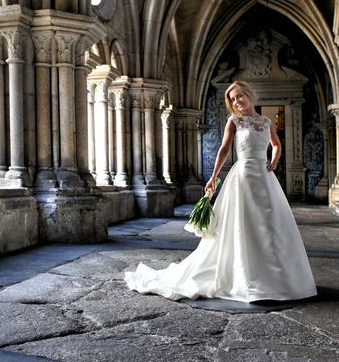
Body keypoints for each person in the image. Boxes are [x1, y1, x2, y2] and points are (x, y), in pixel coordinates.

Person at [124, 80, 317, 303]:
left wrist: (274, 160)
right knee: (243, 225)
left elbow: (276, 143)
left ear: (249, 95)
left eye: (239, 96)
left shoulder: (265, 121)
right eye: (232, 99)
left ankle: (276, 278)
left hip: (264, 177)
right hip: (242, 176)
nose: (236, 102)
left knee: (270, 223)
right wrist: (214, 177)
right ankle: (247, 277)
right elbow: (224, 149)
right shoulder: (234, 121)